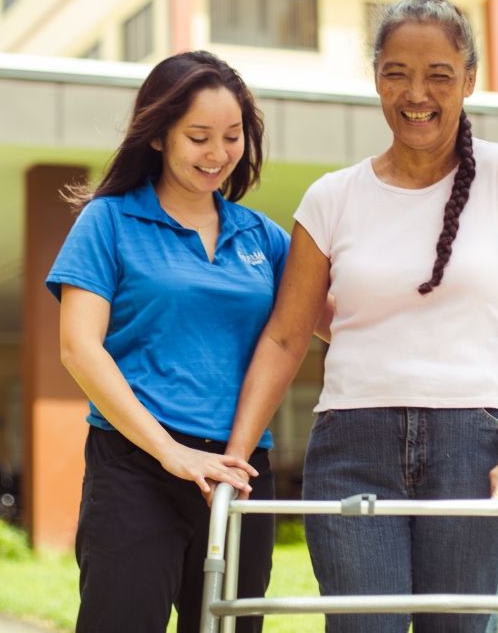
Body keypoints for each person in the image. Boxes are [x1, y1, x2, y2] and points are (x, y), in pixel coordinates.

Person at [224, 0, 498, 633]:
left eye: (439, 74)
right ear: (376, 77)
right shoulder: (330, 198)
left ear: (469, 78)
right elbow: (286, 335)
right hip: (353, 446)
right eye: (397, 73)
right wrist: (234, 459)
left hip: (475, 446)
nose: (418, 94)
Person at [48, 51, 309, 633]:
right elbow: (79, 349)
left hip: (240, 470)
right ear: (159, 135)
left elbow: (333, 320)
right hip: (136, 466)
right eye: (198, 137)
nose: (218, 154)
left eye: (232, 136)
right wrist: (170, 451)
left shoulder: (261, 236)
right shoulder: (107, 222)